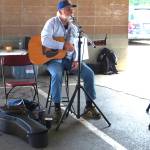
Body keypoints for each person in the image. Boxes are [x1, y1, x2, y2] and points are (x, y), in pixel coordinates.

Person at [41, 0, 101, 123]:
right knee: (57, 75)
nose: (71, 11)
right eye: (68, 8)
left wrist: (76, 59)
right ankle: (57, 108)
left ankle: (89, 106)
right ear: (60, 11)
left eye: (71, 8)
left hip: (69, 60)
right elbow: (45, 41)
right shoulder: (51, 23)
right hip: (54, 60)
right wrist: (62, 45)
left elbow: (76, 46)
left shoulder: (74, 27)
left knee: (89, 74)